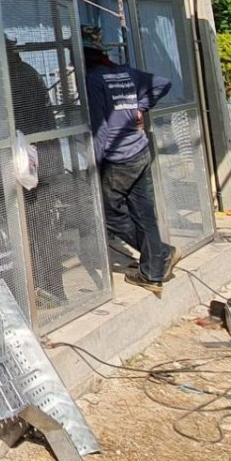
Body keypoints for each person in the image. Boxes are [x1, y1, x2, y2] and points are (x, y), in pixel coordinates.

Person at [82, 34, 176, 289]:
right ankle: (153, 268)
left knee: (110, 213)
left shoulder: (93, 80)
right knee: (143, 212)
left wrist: (94, 167)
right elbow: (163, 83)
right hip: (139, 149)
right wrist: (141, 107)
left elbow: (100, 129)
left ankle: (159, 254)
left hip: (119, 159)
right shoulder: (125, 73)